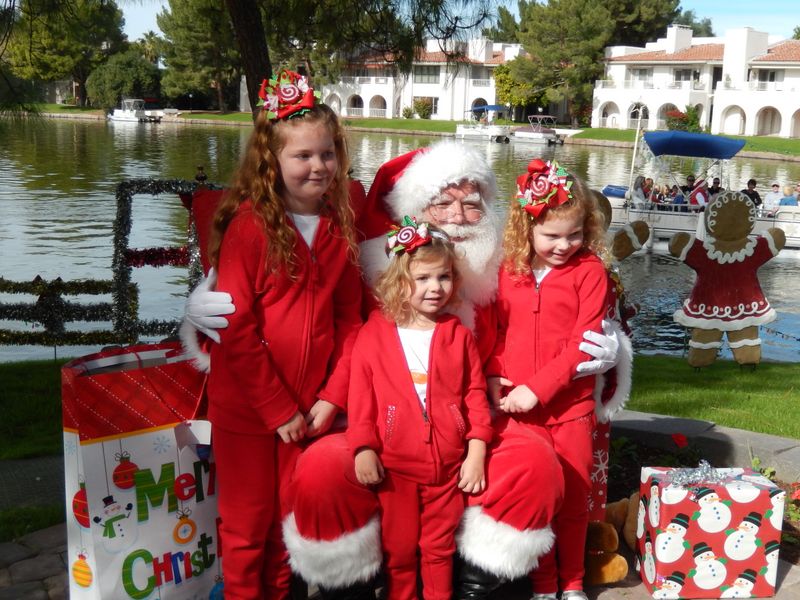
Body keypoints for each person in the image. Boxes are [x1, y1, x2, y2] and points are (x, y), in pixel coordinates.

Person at [182, 141, 623, 600]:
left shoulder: (508, 268)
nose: (456, 215)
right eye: (443, 202)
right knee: (319, 471)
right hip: (375, 421)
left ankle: (484, 582)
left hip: (479, 422)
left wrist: (608, 348)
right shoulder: (380, 269)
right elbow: (305, 317)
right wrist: (210, 308)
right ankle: (348, 584)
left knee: (534, 465)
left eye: (472, 204)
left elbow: (559, 321)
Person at [204, 69, 363, 599]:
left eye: (327, 154)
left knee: (286, 530)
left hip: (309, 410)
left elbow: (349, 322)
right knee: (247, 530)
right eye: (303, 156)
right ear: (271, 161)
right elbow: (236, 328)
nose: (318, 166)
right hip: (251, 413)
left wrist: (331, 395)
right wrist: (277, 409)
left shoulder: (338, 229)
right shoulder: (251, 228)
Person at [348, 219, 493, 600]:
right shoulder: (375, 333)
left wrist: (475, 451)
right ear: (399, 281)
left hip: (448, 467)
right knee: (397, 549)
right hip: (395, 468)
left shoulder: (458, 335)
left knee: (439, 547)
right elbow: (360, 396)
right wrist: (363, 446)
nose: (435, 288)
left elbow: (475, 395)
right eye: (423, 278)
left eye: (443, 277)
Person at [487, 159, 609, 600]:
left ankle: (572, 582)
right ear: (527, 228)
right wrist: (497, 374)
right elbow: (496, 331)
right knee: (539, 497)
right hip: (517, 410)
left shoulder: (590, 272)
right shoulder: (509, 272)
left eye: (574, 234)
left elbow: (584, 342)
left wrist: (537, 388)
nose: (564, 245)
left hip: (569, 408)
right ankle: (541, 584)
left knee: (573, 501)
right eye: (552, 236)